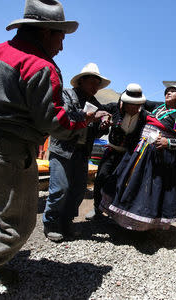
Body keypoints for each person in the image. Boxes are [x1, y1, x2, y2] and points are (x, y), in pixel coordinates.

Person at [0, 1, 108, 299]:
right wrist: (82, 121)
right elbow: (52, 120)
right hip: (11, 152)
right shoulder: (43, 67)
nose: (62, 47)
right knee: (15, 226)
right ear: (46, 33)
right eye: (61, 37)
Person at [100, 83, 176, 230]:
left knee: (148, 189)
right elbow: (138, 100)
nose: (168, 92)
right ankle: (121, 219)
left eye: (173, 92)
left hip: (160, 157)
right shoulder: (158, 106)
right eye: (168, 90)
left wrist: (168, 142)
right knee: (128, 181)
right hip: (139, 150)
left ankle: (142, 225)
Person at [42, 63, 112, 241]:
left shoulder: (96, 104)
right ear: (81, 81)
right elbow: (63, 118)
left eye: (98, 84)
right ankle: (50, 223)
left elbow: (94, 133)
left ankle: (66, 223)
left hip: (81, 152)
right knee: (60, 188)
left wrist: (103, 127)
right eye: (92, 83)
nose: (95, 87)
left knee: (78, 190)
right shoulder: (67, 95)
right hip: (63, 149)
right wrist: (87, 116)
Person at [86, 83, 148, 220]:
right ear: (123, 103)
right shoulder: (114, 108)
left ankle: (114, 213)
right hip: (111, 151)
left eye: (136, 105)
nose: (133, 108)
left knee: (121, 183)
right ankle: (97, 209)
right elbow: (98, 110)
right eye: (130, 104)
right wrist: (103, 118)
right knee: (101, 177)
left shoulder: (143, 115)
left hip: (129, 156)